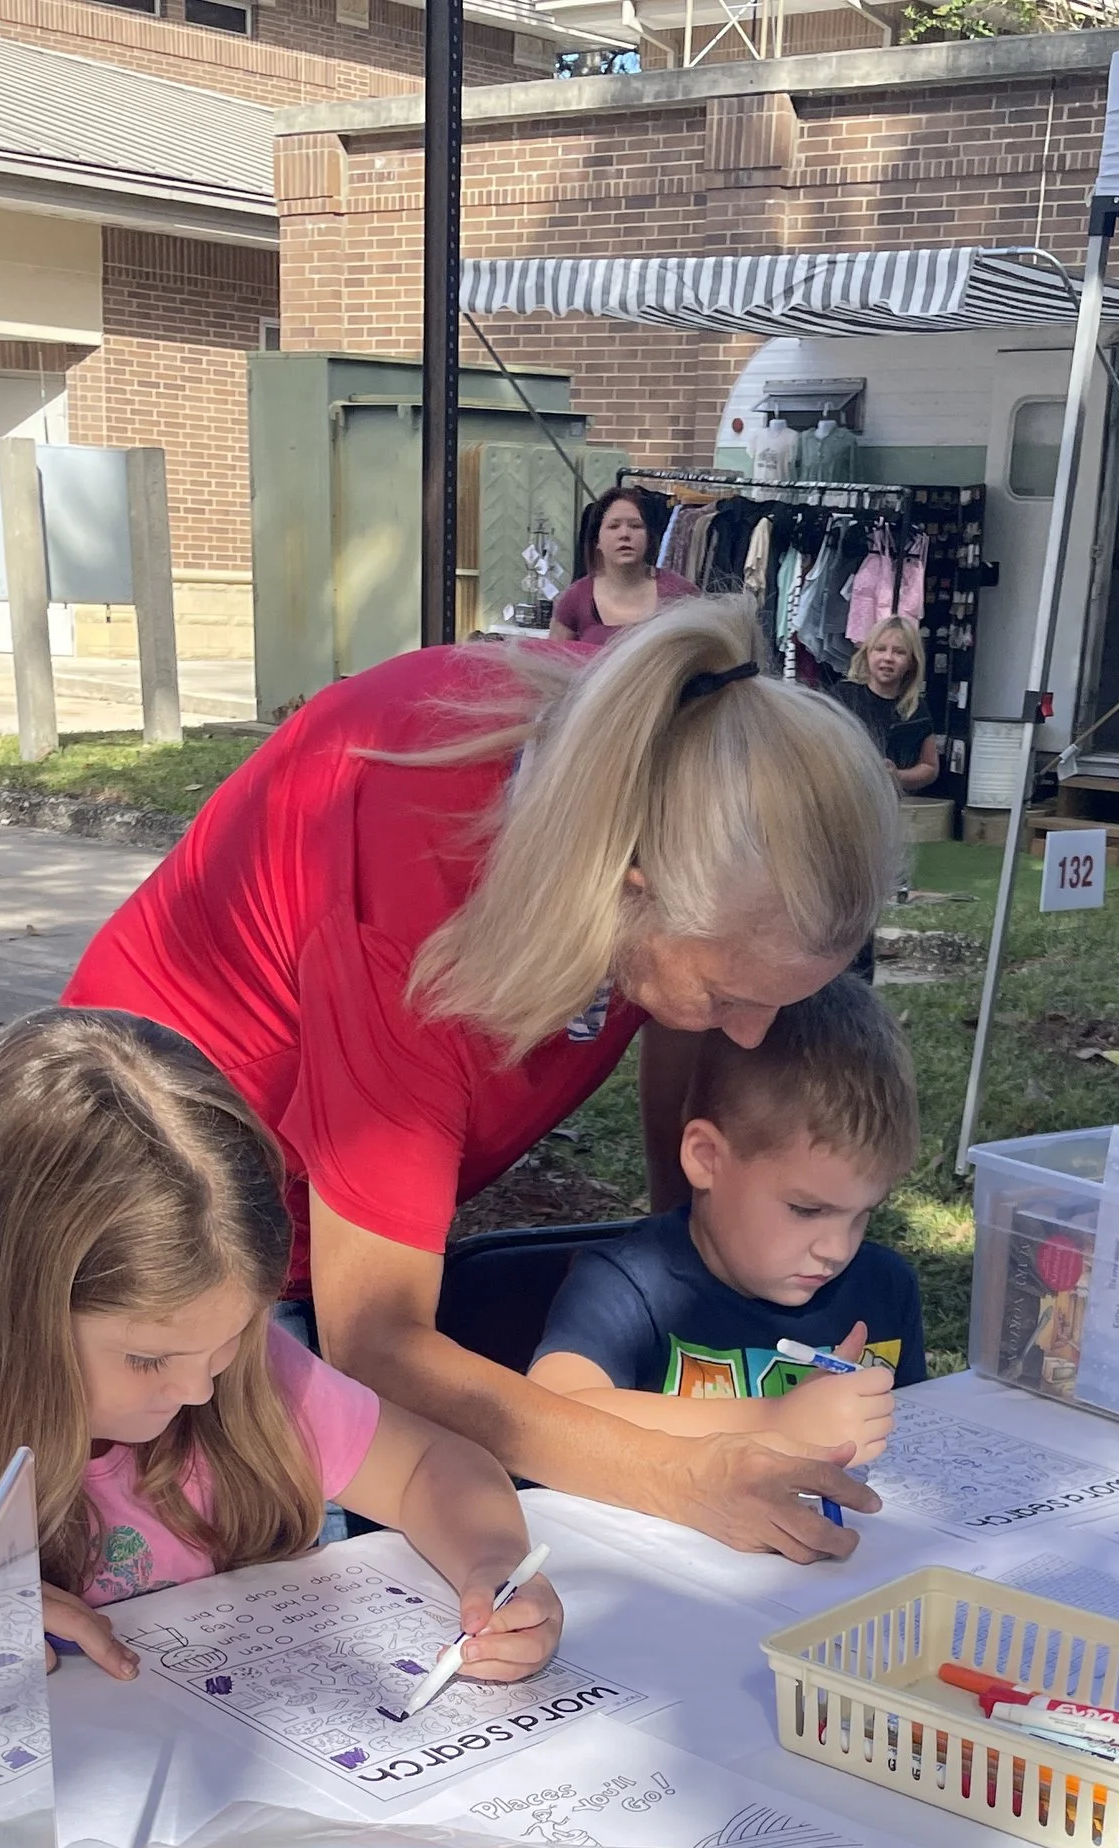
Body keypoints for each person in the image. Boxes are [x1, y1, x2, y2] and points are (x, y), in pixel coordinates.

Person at [65, 595, 905, 1563]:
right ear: (624, 897)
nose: (750, 1036)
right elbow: (376, 1341)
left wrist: (691, 1255)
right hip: (166, 1195)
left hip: (331, 1122)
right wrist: (682, 1476)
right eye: (728, 997)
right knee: (238, 1558)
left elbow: (692, 1021)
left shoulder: (676, 744)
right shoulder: (412, 913)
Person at [0, 1009, 563, 1732]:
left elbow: (433, 1465)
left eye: (233, 1335)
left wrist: (493, 1565)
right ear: (5, 1306)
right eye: (149, 1357)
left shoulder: (231, 1376)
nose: (198, 1389)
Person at [530, 974, 923, 1459]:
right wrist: (771, 1421)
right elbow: (547, 1415)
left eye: (863, 1215)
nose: (837, 1249)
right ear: (707, 1158)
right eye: (806, 1209)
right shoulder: (628, 1288)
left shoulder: (884, 1289)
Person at [547, 490, 698, 654]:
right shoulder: (575, 598)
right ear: (597, 540)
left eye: (635, 526)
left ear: (649, 537)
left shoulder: (681, 594)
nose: (624, 534)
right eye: (613, 526)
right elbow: (552, 661)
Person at [826, 617, 940, 796]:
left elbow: (929, 767)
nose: (888, 658)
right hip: (840, 797)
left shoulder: (915, 709)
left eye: (899, 652)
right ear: (867, 654)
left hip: (889, 804)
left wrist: (897, 776)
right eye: (880, 649)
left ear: (912, 662)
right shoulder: (841, 697)